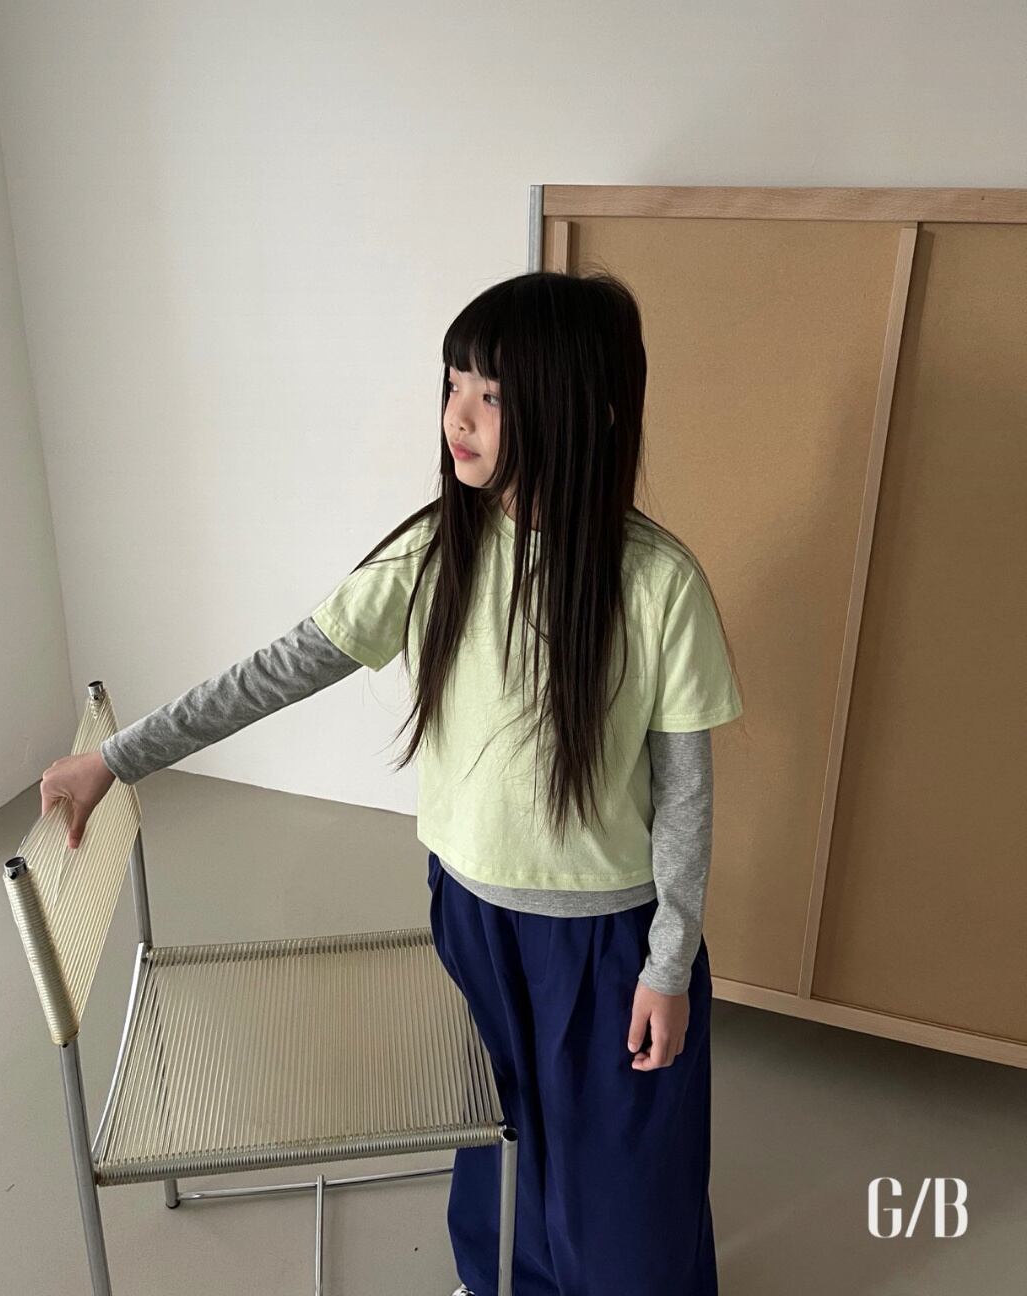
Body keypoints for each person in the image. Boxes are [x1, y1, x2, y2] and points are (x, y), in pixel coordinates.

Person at [40, 269, 744, 1296]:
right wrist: (116, 757)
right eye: (454, 382)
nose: (459, 415)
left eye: (493, 393)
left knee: (625, 1164)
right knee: (495, 1128)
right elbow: (276, 670)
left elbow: (685, 796)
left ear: (581, 406)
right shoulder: (435, 551)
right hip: (470, 912)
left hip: (606, 940)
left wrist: (668, 965)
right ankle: (502, 1280)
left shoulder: (657, 582)